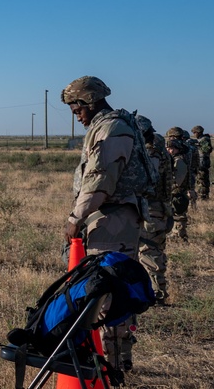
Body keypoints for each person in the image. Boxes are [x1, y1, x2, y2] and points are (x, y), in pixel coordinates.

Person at [61, 76, 151, 372]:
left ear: (89, 101)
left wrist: (76, 218)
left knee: (107, 298)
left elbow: (99, 182)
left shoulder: (111, 129)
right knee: (106, 294)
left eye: (78, 110)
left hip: (111, 225)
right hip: (110, 223)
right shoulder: (111, 126)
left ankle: (110, 367)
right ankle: (112, 363)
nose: (78, 117)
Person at [136, 115, 173, 303]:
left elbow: (148, 180)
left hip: (152, 209)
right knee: (153, 250)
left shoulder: (151, 153)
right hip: (157, 208)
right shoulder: (157, 148)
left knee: (149, 251)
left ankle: (158, 293)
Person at [165, 127, 195, 241]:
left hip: (178, 190)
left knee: (179, 213)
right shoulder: (187, 151)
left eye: (172, 148)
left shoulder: (179, 160)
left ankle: (180, 235)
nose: (170, 150)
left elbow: (178, 179)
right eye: (168, 148)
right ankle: (178, 233)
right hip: (179, 189)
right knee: (177, 212)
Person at [190, 125, 211, 200]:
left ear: (199, 132)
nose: (194, 134)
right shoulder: (200, 139)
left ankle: (203, 196)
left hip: (203, 161)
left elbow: (206, 150)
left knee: (202, 179)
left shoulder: (204, 139)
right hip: (200, 161)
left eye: (195, 132)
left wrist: (198, 145)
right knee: (200, 179)